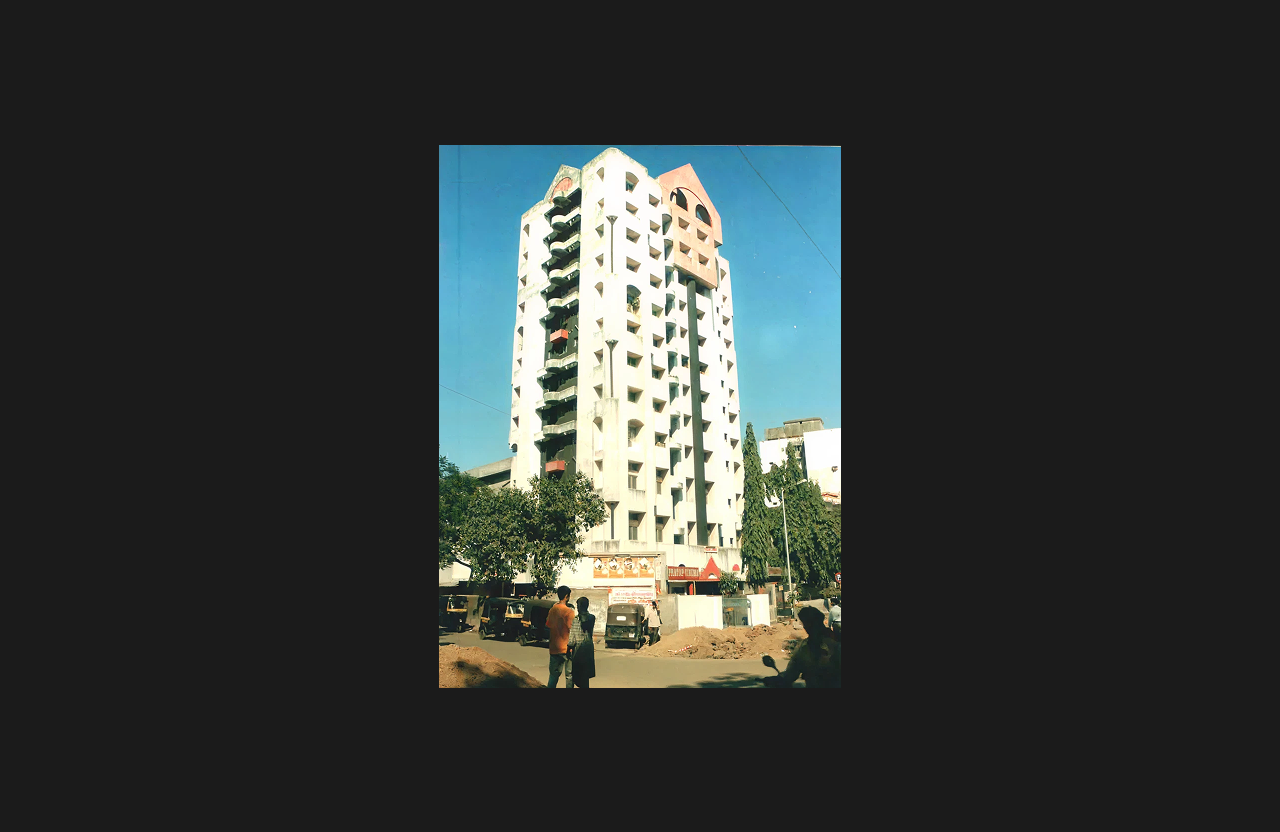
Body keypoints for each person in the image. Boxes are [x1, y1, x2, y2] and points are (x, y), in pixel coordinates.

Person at [768, 606, 841, 688]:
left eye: (808, 624)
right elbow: (792, 672)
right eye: (805, 624)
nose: (805, 627)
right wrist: (779, 680)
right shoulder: (803, 647)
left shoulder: (835, 643)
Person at [546, 586, 575, 688]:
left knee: (553, 676)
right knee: (569, 676)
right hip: (567, 649)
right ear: (566, 596)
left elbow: (548, 625)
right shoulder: (569, 612)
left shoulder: (552, 610)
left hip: (554, 648)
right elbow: (573, 629)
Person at [566, 597, 596, 688]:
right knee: (585, 676)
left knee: (574, 675)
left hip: (578, 650)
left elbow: (572, 639)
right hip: (588, 649)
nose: (577, 608)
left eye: (578, 606)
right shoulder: (592, 617)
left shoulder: (576, 619)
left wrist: (568, 649)